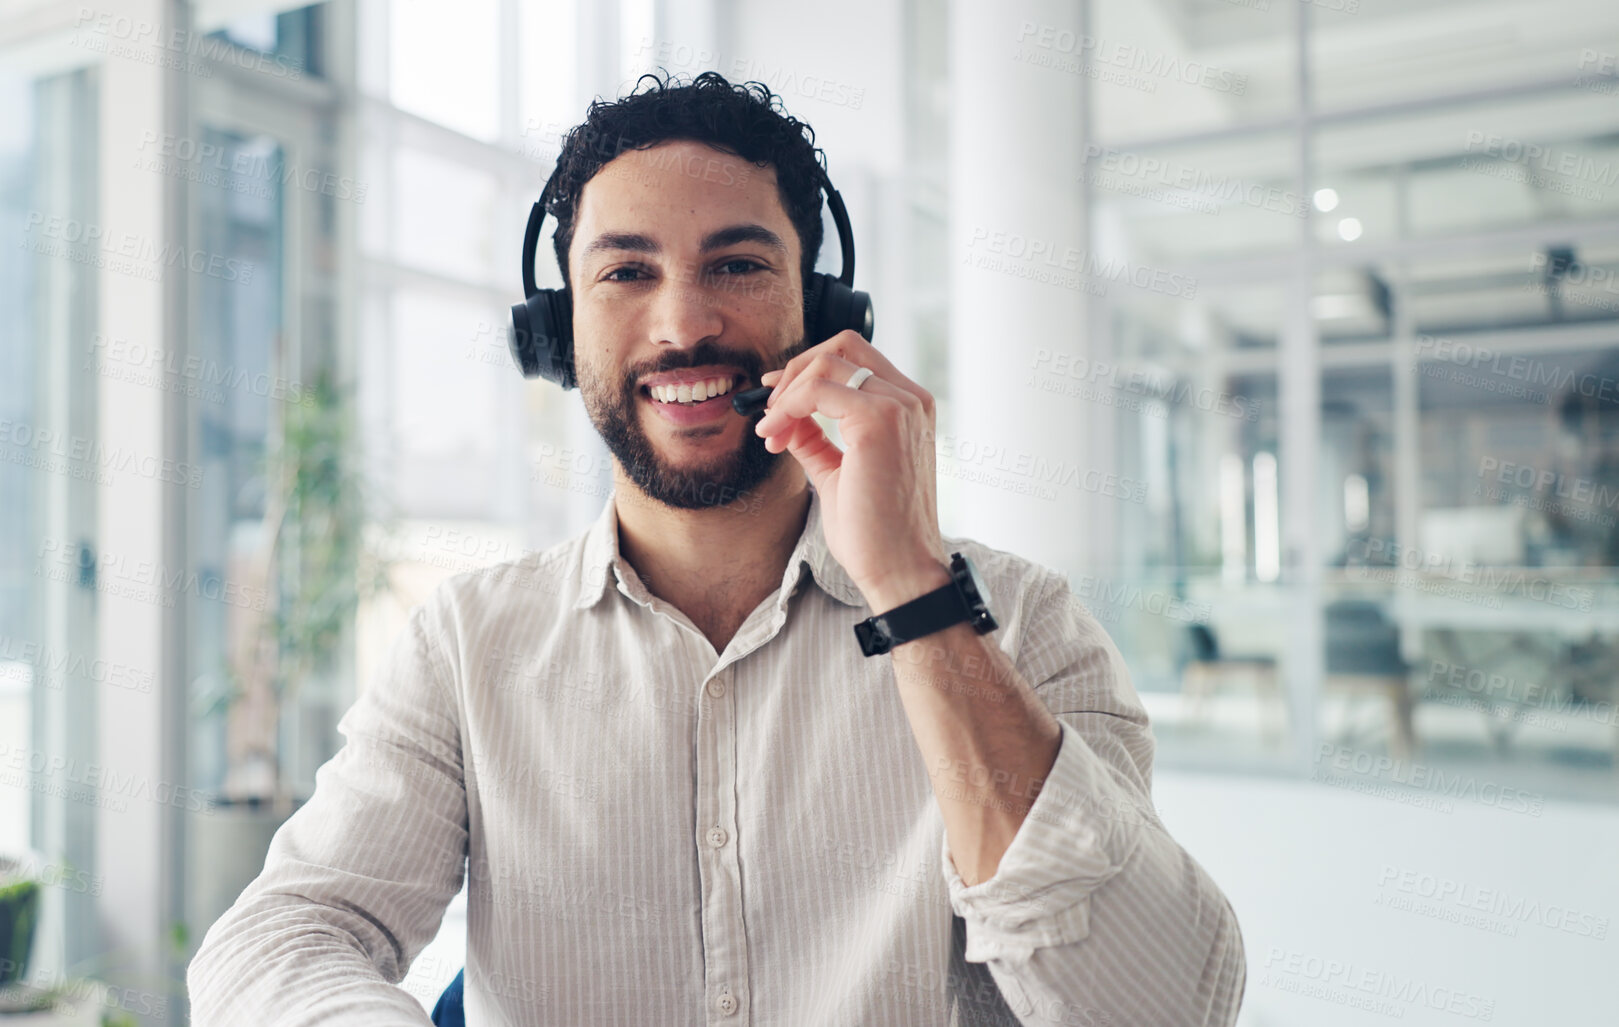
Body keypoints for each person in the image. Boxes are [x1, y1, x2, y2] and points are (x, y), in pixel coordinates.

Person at [188, 70, 1245, 1026]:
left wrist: (914, 593)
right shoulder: (469, 646)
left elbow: (1159, 1007)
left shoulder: (1020, 623)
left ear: (823, 310)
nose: (682, 322)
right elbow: (280, 940)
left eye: (736, 263)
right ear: (560, 334)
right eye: (625, 273)